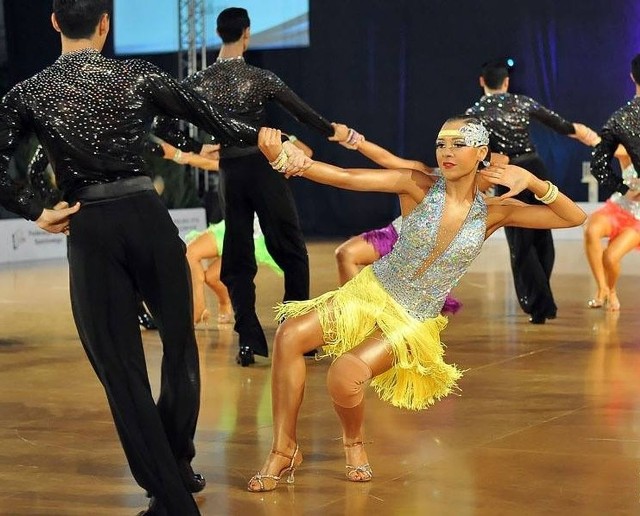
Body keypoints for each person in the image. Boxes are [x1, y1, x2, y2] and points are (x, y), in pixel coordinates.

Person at [0, 1, 298, 513]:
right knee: (180, 350)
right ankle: (176, 465)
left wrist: (36, 211)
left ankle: (172, 494)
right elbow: (210, 117)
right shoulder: (136, 73)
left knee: (122, 371)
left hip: (90, 227)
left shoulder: (28, 93)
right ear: (105, 24)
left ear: (54, 23)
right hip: (148, 219)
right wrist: (267, 138)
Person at [245, 118, 586, 491]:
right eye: (442, 144)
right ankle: (284, 449)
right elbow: (345, 177)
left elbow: (573, 217)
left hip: (413, 317)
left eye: (459, 144)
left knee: (344, 373)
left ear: (482, 153)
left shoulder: (494, 212)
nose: (447, 152)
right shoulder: (416, 184)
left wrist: (535, 182)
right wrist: (286, 161)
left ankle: (354, 443)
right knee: (290, 334)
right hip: (371, 291)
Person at [156, 7, 340, 366]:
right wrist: (335, 132)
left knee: (238, 257)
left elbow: (163, 124)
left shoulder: (197, 82)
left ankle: (248, 340)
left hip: (231, 173)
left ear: (218, 33)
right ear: (247, 34)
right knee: (291, 251)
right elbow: (302, 113)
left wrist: (196, 147)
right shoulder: (260, 77)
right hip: (264, 166)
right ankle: (296, 333)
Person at [466, 59, 598, 324]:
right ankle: (543, 300)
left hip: (507, 172)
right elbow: (559, 123)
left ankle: (539, 305)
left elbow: (472, 150)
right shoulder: (521, 102)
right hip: (535, 170)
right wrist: (579, 131)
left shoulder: (474, 113)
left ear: (482, 82)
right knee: (542, 234)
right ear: (506, 82)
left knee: (520, 242)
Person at [185, 137, 313, 329]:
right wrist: (182, 155)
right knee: (204, 265)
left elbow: (307, 153)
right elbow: (213, 162)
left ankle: (208, 308)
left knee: (206, 267)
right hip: (234, 223)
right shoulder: (240, 150)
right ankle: (215, 304)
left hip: (259, 231)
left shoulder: (276, 161)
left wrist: (286, 138)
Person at [588, 53, 640, 311]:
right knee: (591, 229)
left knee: (611, 255)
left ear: (632, 76)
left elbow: (604, 155)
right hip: (622, 204)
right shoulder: (623, 120)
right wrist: (622, 188)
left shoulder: (622, 119)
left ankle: (609, 290)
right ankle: (604, 289)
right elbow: (606, 156)